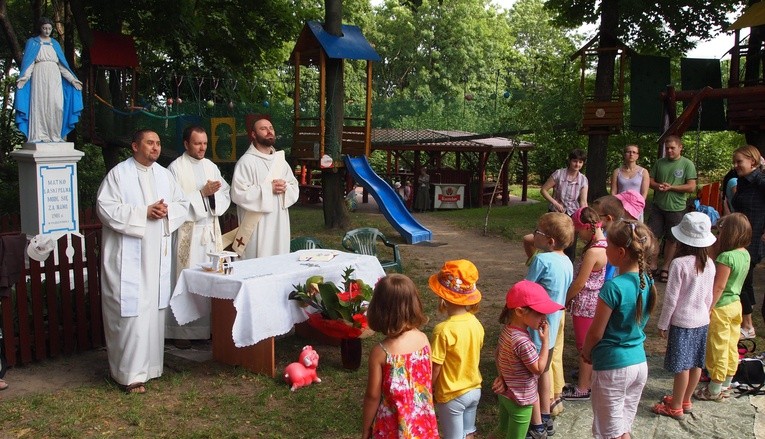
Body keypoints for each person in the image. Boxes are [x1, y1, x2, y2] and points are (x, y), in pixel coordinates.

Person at [96, 129, 189, 393]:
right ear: (135, 146)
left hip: (156, 257)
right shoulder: (119, 174)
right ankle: (128, 374)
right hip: (128, 257)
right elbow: (105, 208)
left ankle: (151, 368)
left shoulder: (164, 175)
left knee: (152, 312)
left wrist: (166, 210)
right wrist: (143, 212)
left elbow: (182, 204)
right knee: (131, 313)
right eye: (150, 143)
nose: (155, 147)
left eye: (158, 143)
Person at [582, 219, 656, 439]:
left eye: (609, 246)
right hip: (638, 363)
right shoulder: (647, 282)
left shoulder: (613, 287)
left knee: (609, 432)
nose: (605, 249)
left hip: (613, 367)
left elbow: (596, 332)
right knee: (622, 427)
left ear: (621, 252)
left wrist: (586, 352)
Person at [166, 125, 231, 347]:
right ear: (186, 144)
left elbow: (224, 193)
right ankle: (183, 333)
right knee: (187, 278)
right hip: (189, 233)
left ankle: (210, 328)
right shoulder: (175, 168)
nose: (202, 147)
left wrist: (213, 198)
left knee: (212, 278)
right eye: (197, 143)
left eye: (204, 143)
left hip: (210, 231)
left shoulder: (211, 166)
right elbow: (174, 202)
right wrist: (202, 194)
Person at [652, 212, 716, 419]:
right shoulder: (710, 264)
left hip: (683, 321)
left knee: (682, 366)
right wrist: (705, 313)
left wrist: (663, 324)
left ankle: (675, 406)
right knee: (696, 362)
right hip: (701, 320)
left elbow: (671, 299)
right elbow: (709, 296)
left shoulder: (679, 264)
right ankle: (685, 400)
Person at [361, 274, 438, 438]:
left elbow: (372, 396)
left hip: (393, 427)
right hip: (422, 424)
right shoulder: (424, 340)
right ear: (414, 304)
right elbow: (427, 381)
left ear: (379, 309)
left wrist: (366, 428)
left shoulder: (381, 353)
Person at [491, 280, 564, 439]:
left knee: (502, 430)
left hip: (507, 394)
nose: (544, 318)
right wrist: (545, 342)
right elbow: (539, 368)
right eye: (539, 312)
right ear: (519, 311)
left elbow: (497, 355)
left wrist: (503, 377)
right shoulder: (523, 342)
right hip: (521, 403)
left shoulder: (507, 330)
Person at [524, 212, 574, 438]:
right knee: (544, 371)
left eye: (538, 232)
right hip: (552, 329)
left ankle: (535, 426)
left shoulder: (541, 260)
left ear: (550, 241)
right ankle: (545, 416)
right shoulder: (567, 261)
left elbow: (525, 291)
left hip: (536, 326)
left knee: (530, 376)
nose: (534, 234)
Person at [694, 213, 751, 401]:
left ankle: (714, 388)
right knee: (730, 344)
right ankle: (726, 382)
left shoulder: (726, 257)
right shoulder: (744, 253)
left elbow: (718, 286)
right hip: (736, 305)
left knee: (717, 346)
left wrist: (709, 307)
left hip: (722, 307)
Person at [428, 260, 484, 439]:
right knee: (468, 433)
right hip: (474, 389)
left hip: (452, 395)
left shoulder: (443, 330)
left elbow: (436, 366)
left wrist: (428, 389)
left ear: (442, 297)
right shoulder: (476, 324)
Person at [229, 116, 299, 259]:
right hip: (258, 226)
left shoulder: (281, 161)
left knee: (279, 258)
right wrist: (268, 189)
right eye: (263, 129)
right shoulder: (246, 162)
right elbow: (238, 193)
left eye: (271, 128)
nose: (269, 131)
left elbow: (294, 186)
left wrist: (285, 188)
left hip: (279, 222)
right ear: (253, 135)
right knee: (258, 259)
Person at [561, 207, 607, 402]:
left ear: (589, 228)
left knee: (584, 346)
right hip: (593, 302)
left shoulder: (593, 252)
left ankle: (582, 388)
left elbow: (580, 282)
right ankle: (587, 378)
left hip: (585, 304)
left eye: (579, 231)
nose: (578, 236)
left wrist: (565, 300)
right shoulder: (604, 245)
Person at [15, 17, 83, 143]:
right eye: (44, 28)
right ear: (40, 28)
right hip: (39, 76)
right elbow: (29, 63)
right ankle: (39, 135)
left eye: (49, 28)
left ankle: (55, 135)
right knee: (40, 105)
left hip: (54, 77)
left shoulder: (55, 44)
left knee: (57, 106)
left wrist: (73, 80)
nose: (47, 31)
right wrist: (24, 78)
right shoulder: (33, 42)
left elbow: (62, 66)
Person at [648, 135, 698, 283]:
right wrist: (658, 186)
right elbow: (650, 180)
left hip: (677, 207)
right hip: (658, 205)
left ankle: (666, 266)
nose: (669, 151)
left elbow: (691, 187)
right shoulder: (659, 163)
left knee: (672, 238)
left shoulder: (687, 164)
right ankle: (653, 264)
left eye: (672, 148)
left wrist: (672, 187)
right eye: (667, 148)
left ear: (680, 147)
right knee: (653, 235)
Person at [729, 145, 765, 340]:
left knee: (744, 281)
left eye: (739, 162)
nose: (736, 166)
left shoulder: (761, 181)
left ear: (752, 161)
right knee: (741, 280)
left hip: (754, 239)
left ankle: (748, 325)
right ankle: (745, 322)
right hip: (739, 236)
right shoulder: (742, 181)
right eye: (734, 162)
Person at [540, 149, 588, 261]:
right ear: (570, 161)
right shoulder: (559, 174)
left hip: (572, 214)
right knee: (552, 240)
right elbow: (544, 190)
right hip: (556, 213)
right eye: (575, 161)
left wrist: (585, 216)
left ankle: (568, 270)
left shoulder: (583, 179)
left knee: (570, 244)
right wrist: (555, 203)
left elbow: (583, 201)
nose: (577, 164)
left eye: (580, 162)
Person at [611, 144, 649, 220]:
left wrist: (637, 206)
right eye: (629, 152)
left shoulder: (643, 172)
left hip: (636, 208)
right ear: (624, 154)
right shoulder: (617, 172)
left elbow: (644, 193)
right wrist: (615, 205)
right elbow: (613, 192)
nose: (631, 154)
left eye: (634, 152)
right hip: (620, 207)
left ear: (638, 155)